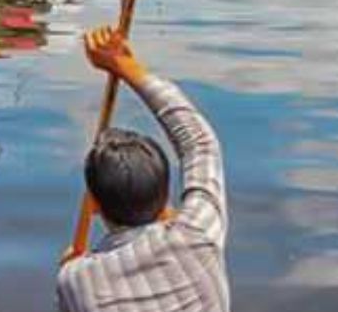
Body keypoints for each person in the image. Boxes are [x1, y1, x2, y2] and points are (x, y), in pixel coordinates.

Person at [58, 28, 228, 312]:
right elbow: (200, 143)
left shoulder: (76, 281)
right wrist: (125, 66)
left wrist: (75, 264)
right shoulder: (198, 233)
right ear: (164, 201)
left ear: (95, 206)